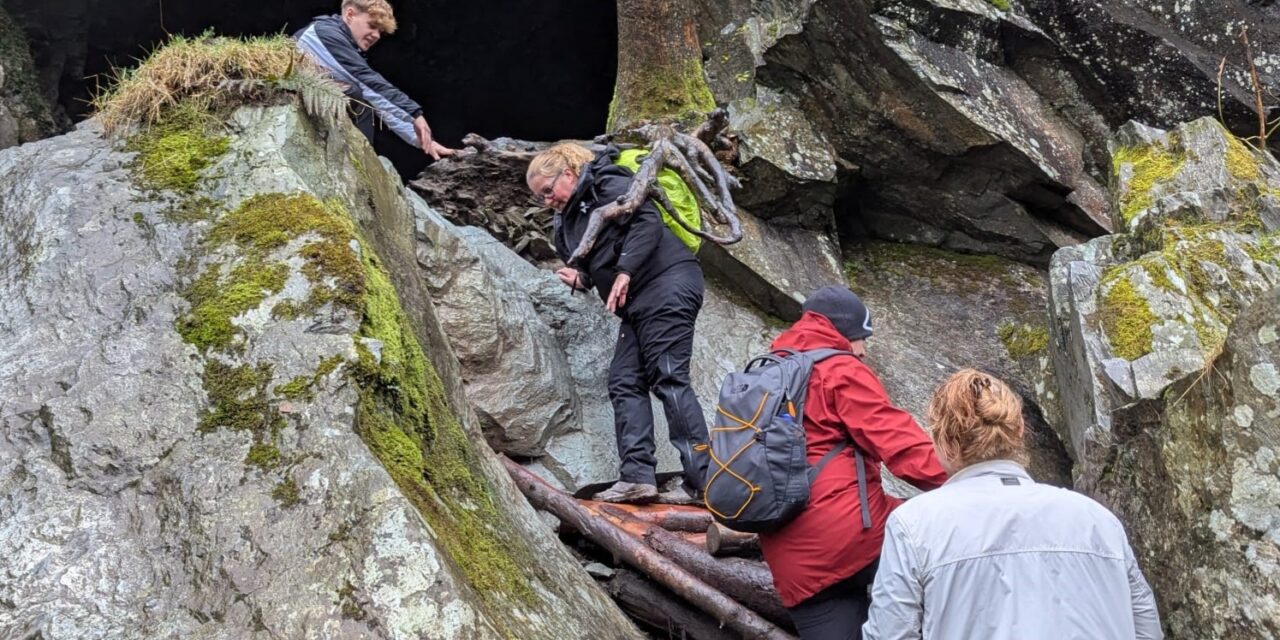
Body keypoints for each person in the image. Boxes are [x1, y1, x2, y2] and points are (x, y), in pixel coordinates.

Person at [862, 369, 1163, 640]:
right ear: (1019, 431)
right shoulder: (1098, 519)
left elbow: (890, 633)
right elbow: (1146, 629)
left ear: (946, 445)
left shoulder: (913, 525)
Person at [759, 285, 948, 640]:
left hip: (791, 561)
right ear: (843, 331)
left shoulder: (764, 375)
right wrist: (976, 480)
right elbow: (904, 450)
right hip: (856, 540)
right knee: (943, 536)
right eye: (861, 338)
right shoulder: (839, 369)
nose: (862, 350)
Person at [526, 142, 709, 505]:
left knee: (669, 376)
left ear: (568, 173)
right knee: (625, 381)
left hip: (667, 282)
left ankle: (704, 481)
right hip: (638, 303)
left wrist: (625, 272)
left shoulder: (606, 183)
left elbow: (646, 221)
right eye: (540, 197)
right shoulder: (570, 218)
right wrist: (582, 279)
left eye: (549, 191)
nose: (547, 201)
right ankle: (638, 477)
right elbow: (598, 261)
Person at [294, 0, 455, 159]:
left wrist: (426, 142)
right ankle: (360, 166)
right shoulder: (325, 34)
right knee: (356, 95)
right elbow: (369, 84)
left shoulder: (336, 38)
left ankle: (362, 166)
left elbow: (379, 102)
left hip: (309, 98)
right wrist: (414, 114)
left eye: (380, 31)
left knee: (359, 99)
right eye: (372, 25)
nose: (377, 35)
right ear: (350, 14)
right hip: (293, 102)